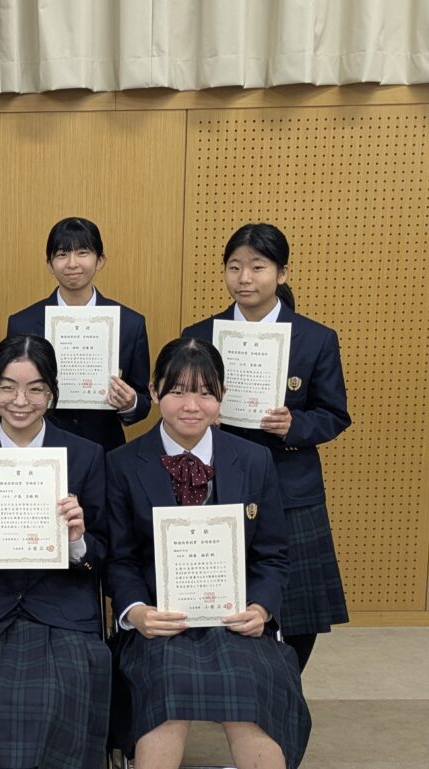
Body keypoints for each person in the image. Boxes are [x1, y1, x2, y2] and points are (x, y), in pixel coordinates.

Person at [107, 337, 310, 769]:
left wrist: (261, 608)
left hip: (235, 620)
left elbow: (273, 554)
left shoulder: (254, 460)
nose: (191, 405)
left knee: (251, 685)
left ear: (222, 395)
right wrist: (137, 612)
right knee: (166, 687)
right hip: (160, 622)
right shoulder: (121, 463)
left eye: (205, 393)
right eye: (178, 391)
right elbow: (120, 558)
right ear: (154, 390)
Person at [0, 335, 110, 769]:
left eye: (35, 389)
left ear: (52, 393)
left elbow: (102, 553)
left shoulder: (85, 455)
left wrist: (77, 539)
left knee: (65, 688)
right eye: (7, 387)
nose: (20, 401)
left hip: (62, 609)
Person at [182, 223, 351, 670]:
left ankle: (285, 686)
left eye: (258, 267)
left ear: (282, 273)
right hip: (217, 479)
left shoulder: (315, 338)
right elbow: (177, 407)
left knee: (296, 609)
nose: (245, 278)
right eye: (234, 267)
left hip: (289, 484)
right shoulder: (200, 335)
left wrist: (295, 424)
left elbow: (334, 414)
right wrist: (197, 413)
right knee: (218, 594)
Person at [7, 216, 150, 451]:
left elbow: (143, 400)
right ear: (50, 264)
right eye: (62, 254)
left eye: (82, 253)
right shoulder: (22, 324)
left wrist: (130, 402)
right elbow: (11, 388)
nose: (72, 263)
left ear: (100, 260)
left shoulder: (130, 323)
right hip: (40, 447)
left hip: (104, 448)